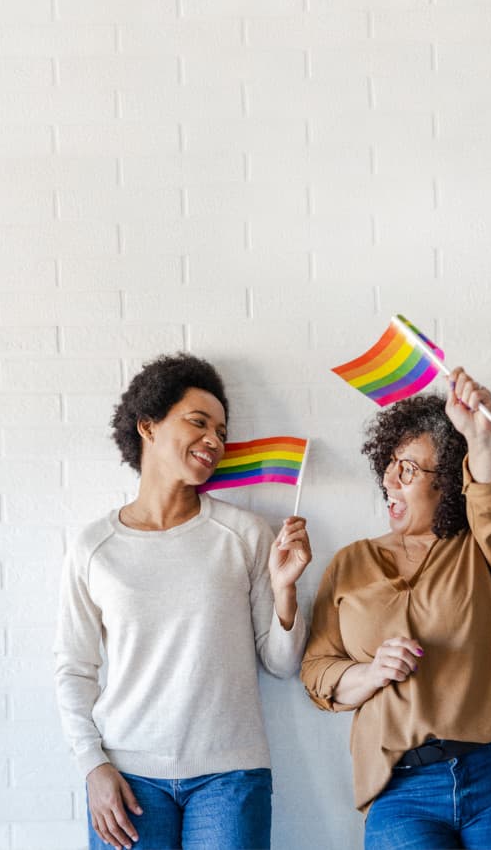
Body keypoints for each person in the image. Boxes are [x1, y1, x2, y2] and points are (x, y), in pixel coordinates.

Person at [55, 353, 313, 850]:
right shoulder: (94, 548)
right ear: (147, 426)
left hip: (231, 776)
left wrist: (285, 588)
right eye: (198, 423)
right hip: (127, 778)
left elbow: (282, 664)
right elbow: (73, 669)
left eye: (221, 430)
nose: (214, 440)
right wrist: (93, 767)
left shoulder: (243, 534)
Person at [301, 369, 491, 849]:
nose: (390, 479)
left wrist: (481, 438)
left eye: (411, 469)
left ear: (448, 485)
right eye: (391, 463)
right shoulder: (350, 562)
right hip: (401, 788)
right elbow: (318, 670)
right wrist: (372, 673)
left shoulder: (482, 549)